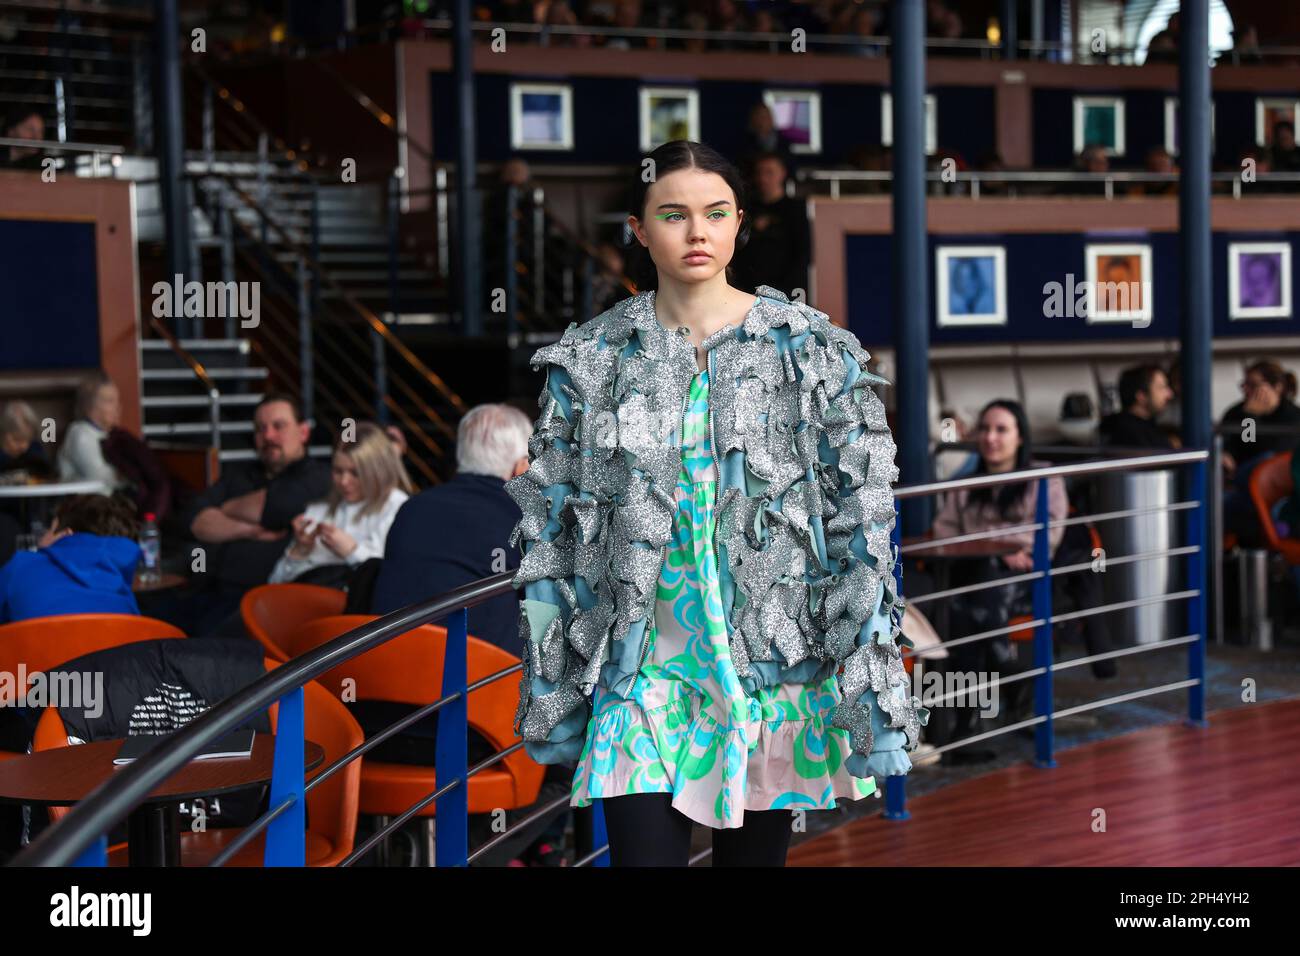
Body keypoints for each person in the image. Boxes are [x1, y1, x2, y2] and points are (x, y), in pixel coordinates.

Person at [510, 140, 927, 866]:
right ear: (639, 231)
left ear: (739, 224)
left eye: (715, 213)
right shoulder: (592, 358)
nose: (696, 232)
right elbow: (553, 536)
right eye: (673, 215)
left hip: (770, 674)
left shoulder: (809, 350)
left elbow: (861, 522)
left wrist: (867, 678)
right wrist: (552, 689)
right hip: (640, 672)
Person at [928, 400, 1076, 761]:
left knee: (966, 609)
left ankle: (965, 728)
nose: (990, 438)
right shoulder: (966, 485)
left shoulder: (1043, 478)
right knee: (964, 606)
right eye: (985, 429)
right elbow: (943, 533)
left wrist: (995, 547)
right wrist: (995, 548)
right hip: (978, 584)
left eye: (1001, 429)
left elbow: (1049, 533)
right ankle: (1006, 670)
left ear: (1020, 436)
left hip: (1025, 582)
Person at [170, 393, 332, 636]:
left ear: (303, 432)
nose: (268, 436)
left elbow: (273, 508)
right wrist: (250, 528)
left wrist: (222, 510)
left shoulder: (320, 476)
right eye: (260, 429)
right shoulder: (238, 473)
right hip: (204, 589)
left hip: (261, 603)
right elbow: (191, 519)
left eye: (279, 426)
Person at [371, 404, 528, 651]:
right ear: (520, 467)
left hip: (390, 669)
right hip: (480, 678)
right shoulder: (523, 518)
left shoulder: (412, 508)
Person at [269, 423, 411, 586]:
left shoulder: (398, 507)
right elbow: (274, 584)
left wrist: (351, 551)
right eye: (338, 471)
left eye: (355, 473)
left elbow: (398, 579)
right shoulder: (318, 510)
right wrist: (300, 551)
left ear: (377, 471)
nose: (344, 481)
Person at [0, 494, 141, 624]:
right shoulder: (126, 601)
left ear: (66, 534)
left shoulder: (20, 567)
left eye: (49, 528)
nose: (41, 539)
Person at [1219, 361, 1300, 546]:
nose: (1246, 391)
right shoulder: (1236, 412)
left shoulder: (1292, 416)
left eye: (1254, 385)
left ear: (1277, 387)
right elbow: (1232, 446)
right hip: (1240, 488)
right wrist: (1226, 454)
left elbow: (1266, 454)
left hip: (1279, 491)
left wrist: (1251, 417)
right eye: (1244, 385)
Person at [729, 151, 811, 299]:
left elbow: (803, 253)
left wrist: (789, 290)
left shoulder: (796, 209)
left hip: (787, 290)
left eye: (770, 172)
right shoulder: (746, 209)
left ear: (783, 173)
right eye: (760, 172)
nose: (763, 178)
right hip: (748, 290)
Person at [57, 373, 126, 492]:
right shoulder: (80, 434)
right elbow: (101, 477)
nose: (118, 407)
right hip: (84, 506)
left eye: (117, 400)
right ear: (89, 406)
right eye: (110, 401)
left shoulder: (111, 435)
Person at [1099, 365, 1177, 449]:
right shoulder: (1129, 436)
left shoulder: (1143, 427)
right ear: (1141, 396)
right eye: (1161, 388)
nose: (1170, 394)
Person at [0, 400, 53, 478]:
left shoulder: (35, 448)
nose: (24, 446)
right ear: (3, 434)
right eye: (17, 439)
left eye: (28, 439)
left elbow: (47, 472)